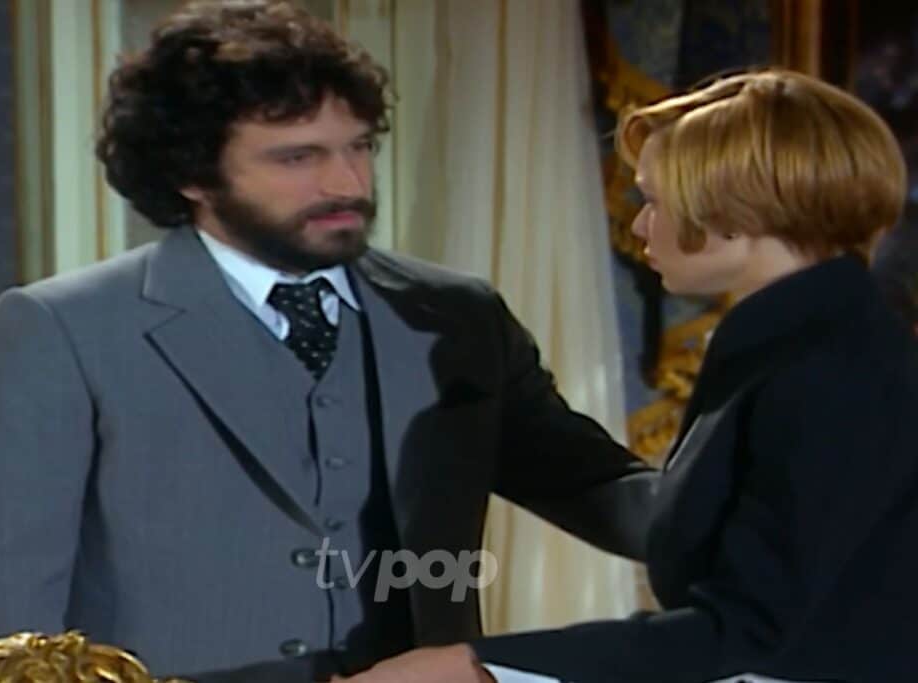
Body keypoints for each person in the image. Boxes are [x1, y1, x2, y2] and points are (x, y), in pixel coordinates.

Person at [0, 1, 655, 679]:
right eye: (297, 157)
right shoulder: (60, 331)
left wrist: (733, 473)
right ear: (191, 174)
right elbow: (5, 633)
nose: (347, 183)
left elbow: (600, 490)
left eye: (359, 147)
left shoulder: (457, 317)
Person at [343, 69, 918, 683]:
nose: (641, 226)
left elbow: (750, 628)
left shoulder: (830, 367)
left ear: (733, 216)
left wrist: (477, 667)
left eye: (655, 202)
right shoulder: (804, 341)